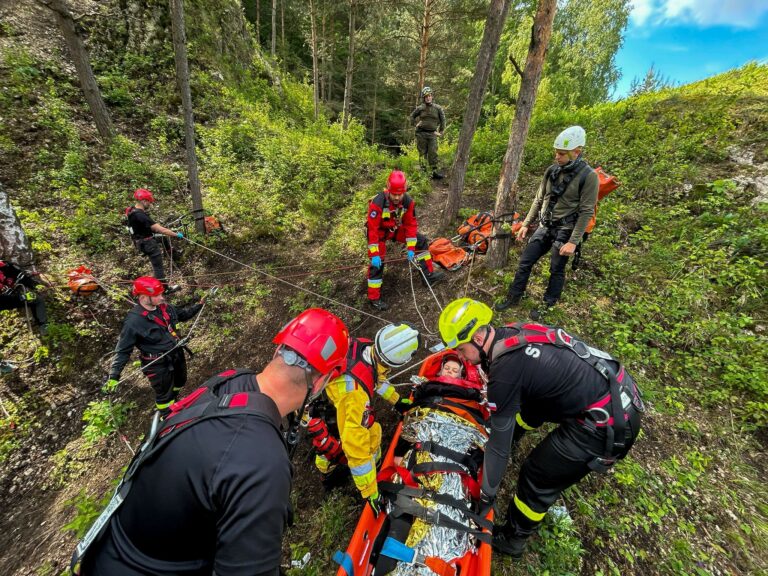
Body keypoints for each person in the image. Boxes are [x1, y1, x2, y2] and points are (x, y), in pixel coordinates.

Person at [76, 308, 350, 576]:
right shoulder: (263, 463)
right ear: (321, 382)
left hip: (109, 549)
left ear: (277, 351)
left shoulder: (230, 381)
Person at [438, 298, 643, 559]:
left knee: (536, 476)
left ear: (478, 337)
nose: (459, 356)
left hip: (605, 424)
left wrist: (486, 497)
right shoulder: (512, 332)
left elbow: (498, 450)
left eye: (461, 349)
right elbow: (532, 402)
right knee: (530, 409)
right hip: (615, 389)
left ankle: (514, 539)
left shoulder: (505, 371)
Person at [308, 323, 421, 511]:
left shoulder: (363, 347)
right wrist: (370, 491)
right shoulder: (355, 396)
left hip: (329, 398)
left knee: (364, 434)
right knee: (334, 448)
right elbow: (355, 448)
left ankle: (350, 468)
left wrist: (397, 401)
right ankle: (328, 476)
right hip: (332, 415)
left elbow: (376, 379)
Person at [495, 126, 599, 320]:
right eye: (556, 153)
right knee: (525, 262)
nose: (557, 157)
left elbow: (586, 211)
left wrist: (573, 242)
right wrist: (526, 224)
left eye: (562, 154)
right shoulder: (551, 171)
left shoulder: (589, 176)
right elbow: (538, 199)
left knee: (556, 269)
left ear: (577, 152)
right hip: (545, 226)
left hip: (566, 229)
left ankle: (547, 305)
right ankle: (514, 296)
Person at [105, 276, 202, 413]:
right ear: (144, 297)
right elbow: (123, 351)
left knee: (180, 381)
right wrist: (114, 375)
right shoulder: (133, 322)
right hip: (157, 364)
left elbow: (184, 314)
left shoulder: (165, 308)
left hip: (176, 354)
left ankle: (175, 399)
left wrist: (200, 304)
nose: (162, 298)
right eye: (157, 295)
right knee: (164, 396)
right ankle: (166, 415)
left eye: (161, 294)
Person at [366, 170, 444, 310]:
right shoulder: (378, 203)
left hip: (394, 229)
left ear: (404, 191)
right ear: (388, 190)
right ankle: (374, 298)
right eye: (394, 194)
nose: (396, 198)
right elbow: (372, 230)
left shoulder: (408, 202)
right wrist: (375, 254)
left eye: (399, 194)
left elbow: (410, 225)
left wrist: (411, 249)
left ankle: (428, 276)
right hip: (379, 233)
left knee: (420, 241)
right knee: (377, 263)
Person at [125, 188, 184, 293]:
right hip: (148, 243)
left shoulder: (131, 211)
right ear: (144, 201)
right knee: (158, 267)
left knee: (162, 237)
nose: (150, 204)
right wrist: (176, 234)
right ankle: (165, 289)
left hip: (140, 241)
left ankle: (171, 253)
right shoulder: (141, 215)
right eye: (149, 202)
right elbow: (160, 229)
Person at [0, 260, 49, 336]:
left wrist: (35, 285)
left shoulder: (4, 266)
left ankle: (44, 328)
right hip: (4, 300)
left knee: (35, 299)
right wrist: (20, 298)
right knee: (35, 299)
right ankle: (43, 327)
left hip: (8, 297)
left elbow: (20, 276)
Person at [410, 86, 446, 179]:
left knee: (433, 152)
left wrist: (441, 132)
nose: (428, 98)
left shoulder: (438, 108)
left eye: (429, 96)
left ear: (432, 96)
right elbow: (412, 116)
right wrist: (415, 124)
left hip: (432, 134)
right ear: (424, 98)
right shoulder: (420, 108)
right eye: (426, 96)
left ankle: (434, 172)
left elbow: (443, 120)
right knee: (422, 153)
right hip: (421, 134)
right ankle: (424, 173)